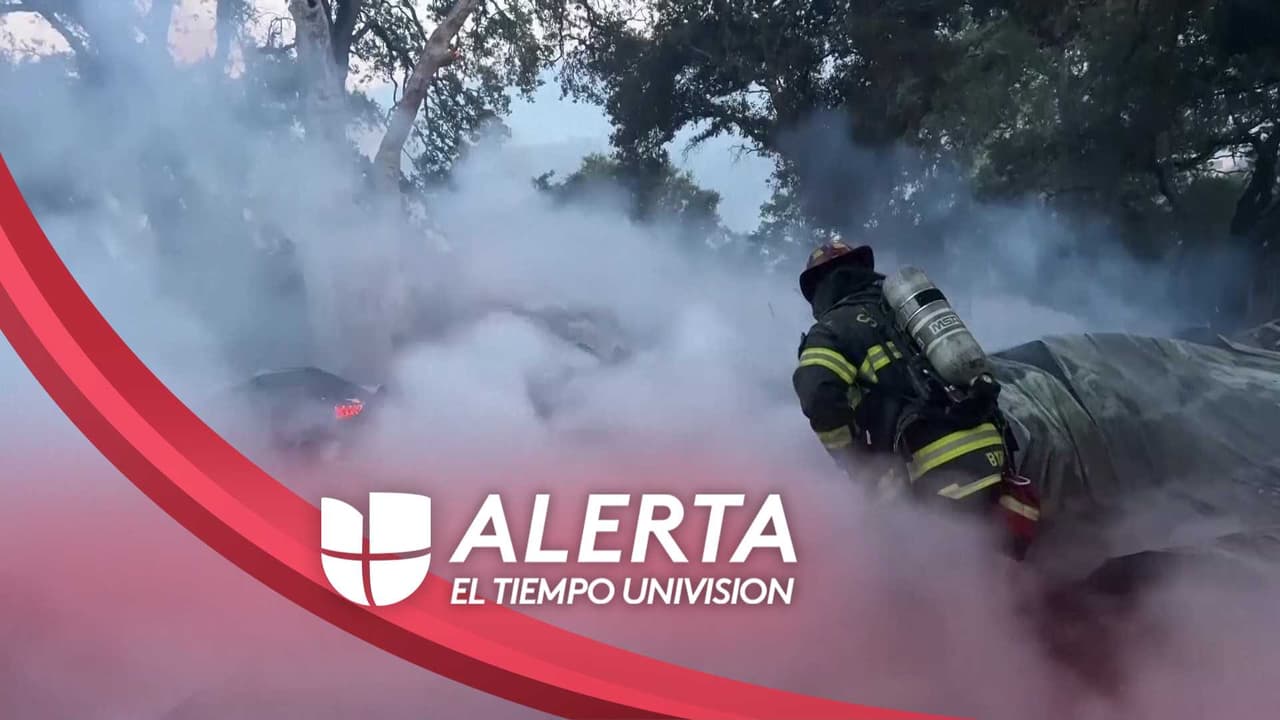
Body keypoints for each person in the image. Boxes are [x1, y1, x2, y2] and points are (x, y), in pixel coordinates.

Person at [791, 238, 1040, 558]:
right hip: (994, 448)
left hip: (931, 468)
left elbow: (819, 398)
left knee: (931, 572)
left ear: (818, 290)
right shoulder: (909, 311)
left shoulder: (830, 332)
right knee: (1002, 561)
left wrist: (856, 461)